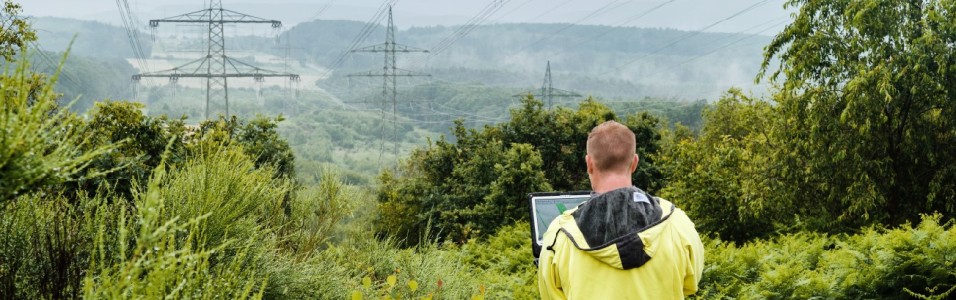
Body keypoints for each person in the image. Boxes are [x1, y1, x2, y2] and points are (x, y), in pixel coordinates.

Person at [537, 120, 705, 299]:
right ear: (634, 162)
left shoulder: (560, 234)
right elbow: (689, 285)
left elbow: (550, 294)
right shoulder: (677, 223)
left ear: (589, 163)